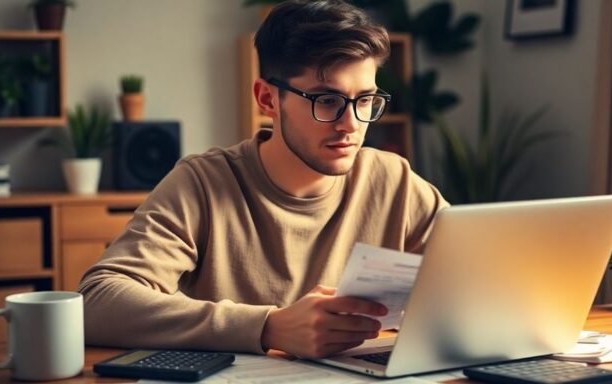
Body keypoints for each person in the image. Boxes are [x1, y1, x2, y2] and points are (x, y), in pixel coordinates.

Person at [79, 0, 448, 359]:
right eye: (326, 100)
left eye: (364, 100)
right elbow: (96, 302)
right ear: (268, 99)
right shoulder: (203, 184)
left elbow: (477, 280)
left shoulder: (392, 179)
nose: (351, 124)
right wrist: (267, 327)